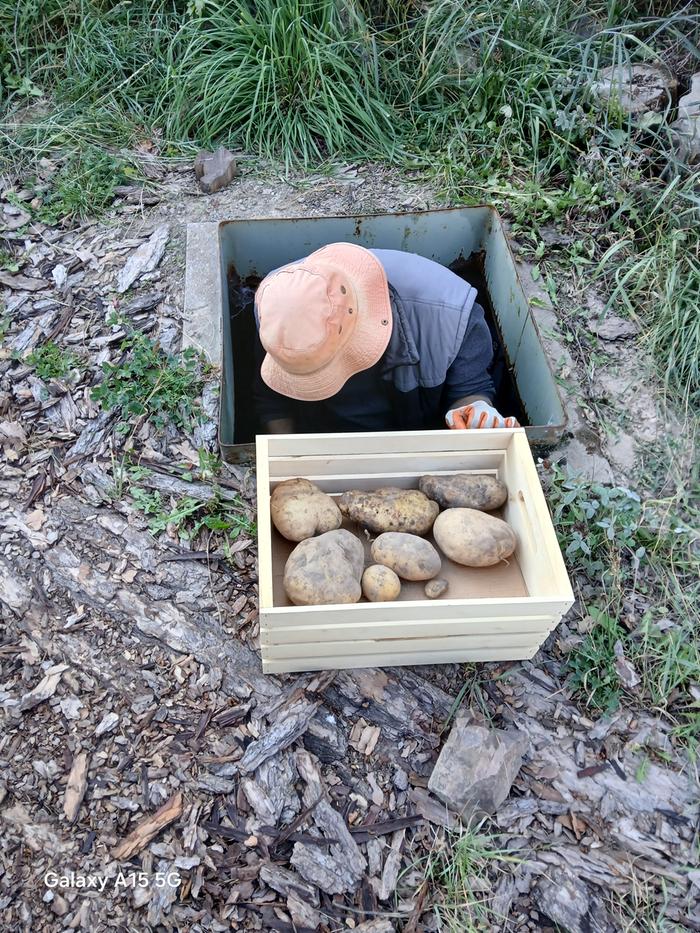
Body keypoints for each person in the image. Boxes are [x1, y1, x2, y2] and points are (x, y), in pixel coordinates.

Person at [253, 242, 520, 434]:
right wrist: (291, 464)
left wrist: (475, 412)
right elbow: (272, 400)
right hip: (331, 437)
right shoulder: (275, 306)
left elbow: (469, 389)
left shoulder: (452, 316)